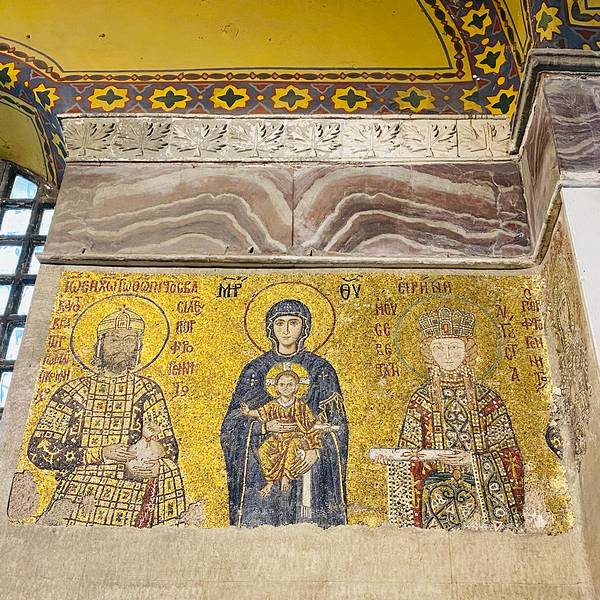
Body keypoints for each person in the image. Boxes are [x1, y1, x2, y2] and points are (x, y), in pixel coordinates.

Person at [27, 307, 186, 527]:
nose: (121, 347)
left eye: (129, 340)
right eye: (114, 339)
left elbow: (168, 446)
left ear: (138, 346)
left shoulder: (147, 391)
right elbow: (39, 449)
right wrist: (98, 453)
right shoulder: (72, 392)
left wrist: (153, 463)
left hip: (133, 492)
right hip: (78, 492)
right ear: (100, 344)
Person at [385, 306, 524, 530]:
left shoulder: (488, 400)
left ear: (467, 350)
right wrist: (400, 458)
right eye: (439, 348)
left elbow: (510, 455)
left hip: (481, 499)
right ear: (429, 352)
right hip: (433, 501)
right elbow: (407, 452)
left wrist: (471, 460)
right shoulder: (421, 400)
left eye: (454, 347)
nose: (447, 355)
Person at [221, 299, 348, 528]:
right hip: (262, 470)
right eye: (279, 323)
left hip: (307, 464)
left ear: (304, 328)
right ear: (271, 328)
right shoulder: (255, 370)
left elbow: (337, 425)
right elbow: (231, 425)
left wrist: (317, 451)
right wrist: (263, 427)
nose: (286, 330)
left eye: (293, 323)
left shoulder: (320, 370)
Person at [240, 369, 336, 497]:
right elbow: (259, 412)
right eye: (282, 384)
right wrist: (248, 412)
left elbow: (310, 423)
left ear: (296, 387)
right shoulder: (272, 405)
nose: (285, 387)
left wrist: (323, 426)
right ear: (276, 387)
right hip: (277, 438)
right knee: (263, 450)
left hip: (295, 437)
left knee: (293, 448)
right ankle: (270, 482)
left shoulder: (300, 405)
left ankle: (286, 476)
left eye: (290, 384)